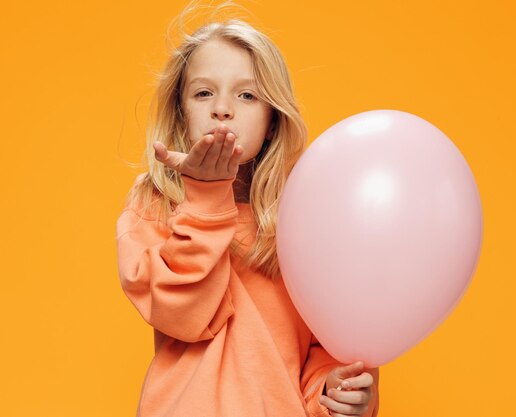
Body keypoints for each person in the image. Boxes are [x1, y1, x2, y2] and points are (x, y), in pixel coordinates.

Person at [115, 10, 379, 417]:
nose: (222, 109)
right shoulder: (153, 205)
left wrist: (333, 389)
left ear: (273, 119)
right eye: (203, 94)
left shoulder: (306, 218)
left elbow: (322, 347)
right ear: (181, 113)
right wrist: (205, 197)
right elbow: (182, 315)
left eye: (247, 95)